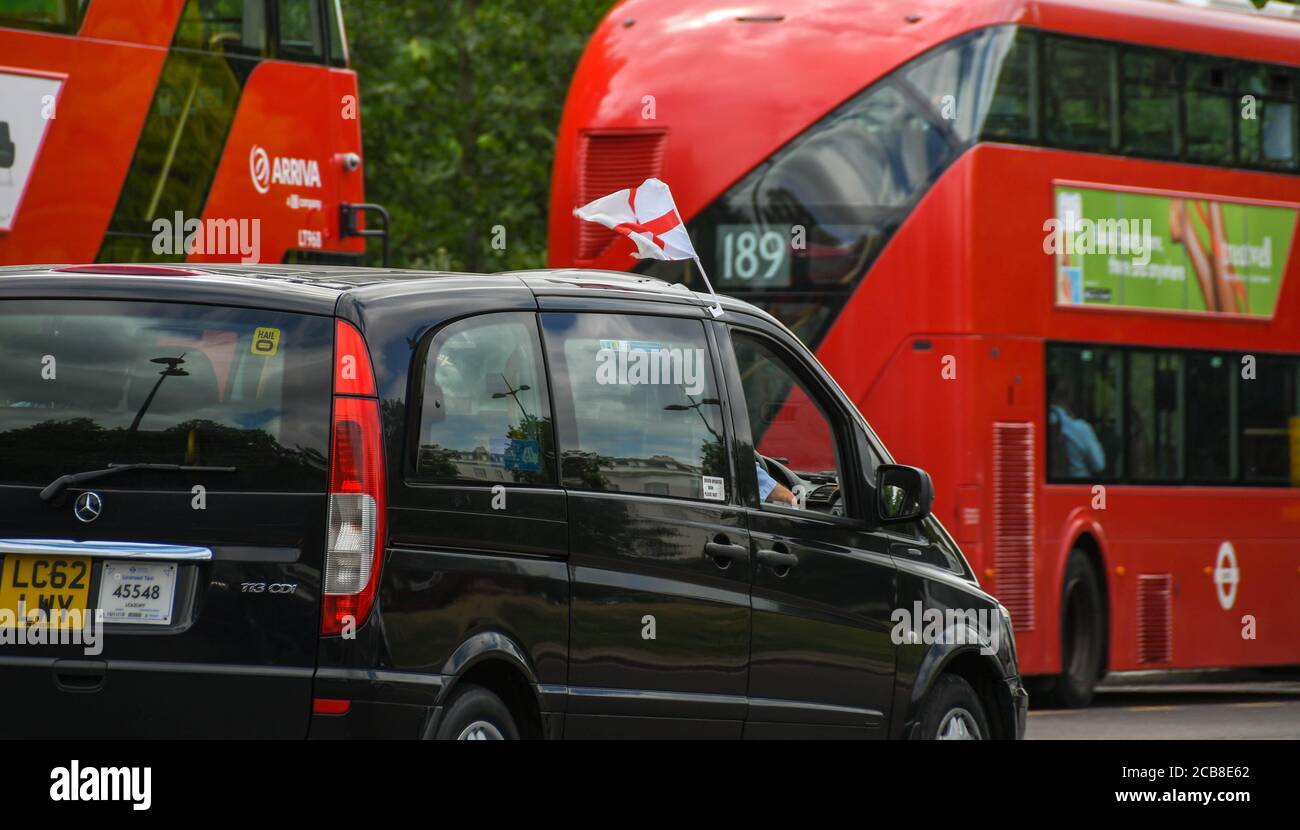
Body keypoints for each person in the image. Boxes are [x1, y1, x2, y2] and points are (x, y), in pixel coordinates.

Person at [1048, 376, 1105, 477]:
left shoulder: (1042, 425)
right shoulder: (1081, 428)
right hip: (1078, 488)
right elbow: (1098, 465)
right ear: (1070, 397)